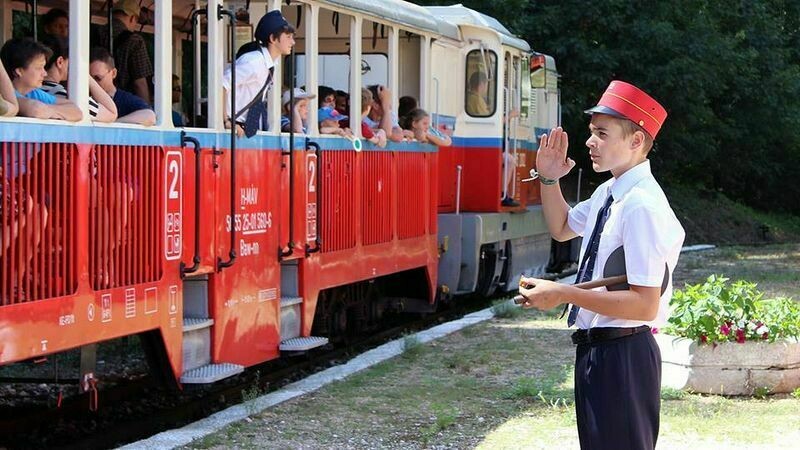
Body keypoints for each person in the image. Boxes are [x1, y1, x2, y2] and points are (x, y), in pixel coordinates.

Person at [517, 80, 685, 450]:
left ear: (636, 141)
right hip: (599, 351)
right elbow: (562, 228)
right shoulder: (609, 192)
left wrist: (562, 293)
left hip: (623, 354)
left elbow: (645, 303)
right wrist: (548, 178)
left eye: (602, 133)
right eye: (592, 132)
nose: (590, 141)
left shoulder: (640, 205)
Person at [223, 10, 295, 138]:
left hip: (244, 129)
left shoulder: (271, 63)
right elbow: (221, 85)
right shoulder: (254, 61)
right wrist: (225, 121)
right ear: (273, 38)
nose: (293, 42)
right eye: (288, 37)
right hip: (233, 127)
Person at [40, 35, 118, 123]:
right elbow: (111, 113)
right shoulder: (63, 95)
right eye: (72, 60)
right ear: (60, 62)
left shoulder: (31, 91)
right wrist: (84, 72)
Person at [0, 37, 82, 121]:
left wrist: (48, 110)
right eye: (39, 68)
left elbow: (77, 112)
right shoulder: (6, 95)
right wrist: (58, 111)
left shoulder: (33, 93)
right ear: (19, 71)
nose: (45, 73)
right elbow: (35, 109)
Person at [95, 0, 153, 104]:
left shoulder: (94, 34)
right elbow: (140, 83)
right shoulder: (135, 41)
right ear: (132, 18)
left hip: (96, 100)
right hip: (123, 103)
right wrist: (146, 108)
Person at [89, 47, 155, 126]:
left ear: (113, 73)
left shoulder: (124, 99)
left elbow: (149, 116)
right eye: (89, 79)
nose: (93, 84)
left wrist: (114, 123)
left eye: (98, 78)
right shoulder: (82, 98)